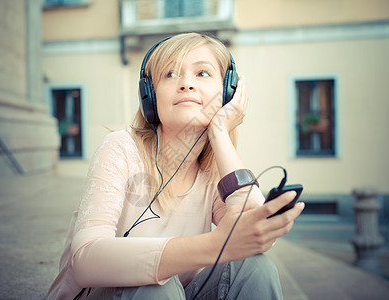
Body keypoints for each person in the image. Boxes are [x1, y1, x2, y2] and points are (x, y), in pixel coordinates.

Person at [46, 32, 305, 300]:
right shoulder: (120, 148)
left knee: (255, 268)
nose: (186, 84)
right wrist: (215, 244)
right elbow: (85, 261)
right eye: (170, 74)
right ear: (150, 95)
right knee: (156, 283)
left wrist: (220, 134)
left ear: (227, 93)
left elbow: (254, 235)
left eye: (202, 73)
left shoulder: (214, 169)